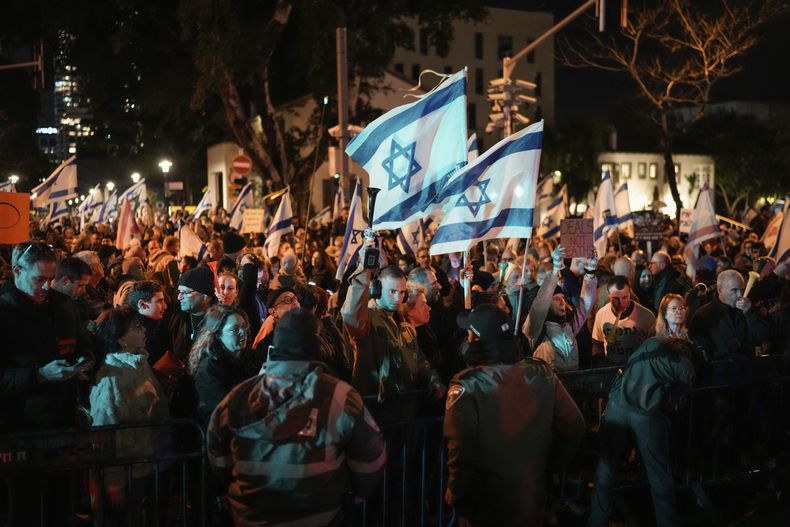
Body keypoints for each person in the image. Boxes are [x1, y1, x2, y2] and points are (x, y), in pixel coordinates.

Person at [207, 309, 386, 526]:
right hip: (320, 517)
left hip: (253, 517)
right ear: (315, 345)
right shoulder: (340, 396)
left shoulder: (238, 398)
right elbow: (370, 460)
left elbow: (219, 459)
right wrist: (351, 493)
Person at [445, 304, 585, 526]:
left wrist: (456, 491)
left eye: (469, 332)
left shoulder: (467, 385)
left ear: (475, 339)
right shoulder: (541, 372)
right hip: (532, 494)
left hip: (485, 501)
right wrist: (554, 465)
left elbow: (460, 446)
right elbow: (574, 424)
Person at [588, 337, 695, 527]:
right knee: (658, 474)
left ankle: (597, 521)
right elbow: (686, 382)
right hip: (648, 414)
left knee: (606, 469)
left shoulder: (648, 344)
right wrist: (667, 402)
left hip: (618, 404)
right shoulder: (683, 363)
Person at [89, 306, 169, 525]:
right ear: (120, 338)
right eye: (136, 326)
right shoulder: (112, 378)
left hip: (144, 463)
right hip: (127, 472)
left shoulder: (138, 364)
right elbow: (106, 433)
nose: (144, 330)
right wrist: (113, 483)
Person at [342, 261, 446, 422]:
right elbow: (350, 313)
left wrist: (432, 378)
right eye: (392, 291)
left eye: (402, 292)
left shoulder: (405, 326)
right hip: (377, 415)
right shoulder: (366, 321)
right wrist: (364, 271)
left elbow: (418, 361)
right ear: (376, 290)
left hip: (406, 413)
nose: (397, 298)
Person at [523, 246, 597, 372]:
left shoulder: (568, 327)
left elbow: (585, 305)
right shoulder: (535, 330)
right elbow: (539, 307)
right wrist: (555, 270)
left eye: (563, 298)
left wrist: (590, 272)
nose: (562, 302)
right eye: (556, 298)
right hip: (548, 388)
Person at [189, 305, 262, 429]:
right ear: (217, 334)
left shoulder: (251, 356)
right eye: (235, 329)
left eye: (244, 327)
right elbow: (222, 409)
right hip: (222, 431)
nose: (243, 333)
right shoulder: (209, 367)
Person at [689, 269, 771, 360]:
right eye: (734, 290)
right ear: (720, 290)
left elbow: (765, 336)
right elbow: (701, 351)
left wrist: (750, 313)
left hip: (748, 367)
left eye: (741, 290)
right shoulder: (703, 315)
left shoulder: (748, 309)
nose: (739, 294)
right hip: (720, 370)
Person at [592, 276, 656, 367]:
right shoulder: (601, 314)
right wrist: (599, 361)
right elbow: (597, 342)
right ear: (608, 294)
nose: (620, 303)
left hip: (637, 368)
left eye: (624, 297)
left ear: (630, 292)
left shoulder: (646, 316)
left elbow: (653, 346)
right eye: (616, 298)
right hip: (611, 368)